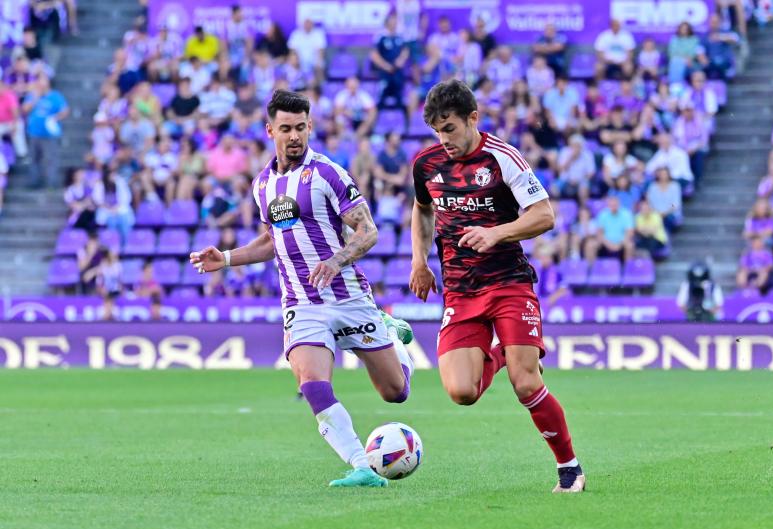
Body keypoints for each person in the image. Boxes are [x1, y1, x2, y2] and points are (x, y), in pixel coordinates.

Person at [189, 90, 415, 488]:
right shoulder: (262, 185)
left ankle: (392, 335)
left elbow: (368, 231)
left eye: (301, 128)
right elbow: (271, 240)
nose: (294, 136)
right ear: (270, 130)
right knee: (312, 385)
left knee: (395, 393)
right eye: (286, 129)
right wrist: (224, 259)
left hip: (348, 296)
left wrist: (335, 261)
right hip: (301, 302)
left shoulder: (328, 174)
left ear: (310, 126)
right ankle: (362, 464)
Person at [408, 79, 584, 493]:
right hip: (460, 289)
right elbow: (422, 209)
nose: (443, 139)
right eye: (436, 130)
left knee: (526, 383)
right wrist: (419, 261)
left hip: (507, 283)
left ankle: (569, 468)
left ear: (473, 118)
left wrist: (496, 233)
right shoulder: (426, 164)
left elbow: (544, 216)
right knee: (461, 392)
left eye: (449, 128)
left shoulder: (503, 157)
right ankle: (504, 351)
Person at [22, 74, 69, 189]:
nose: (40, 83)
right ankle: (34, 182)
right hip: (34, 132)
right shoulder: (33, 95)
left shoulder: (55, 96)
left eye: (43, 80)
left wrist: (55, 118)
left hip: (49, 134)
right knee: (34, 159)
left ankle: (50, 183)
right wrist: (35, 98)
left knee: (50, 159)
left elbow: (65, 111)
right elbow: (25, 109)